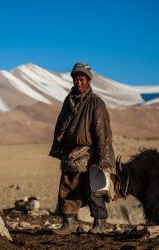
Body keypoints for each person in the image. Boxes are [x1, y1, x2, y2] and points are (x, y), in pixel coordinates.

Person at [49, 62, 116, 234]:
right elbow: (60, 125)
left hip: (90, 154)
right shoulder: (68, 101)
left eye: (82, 79)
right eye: (76, 79)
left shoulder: (96, 103)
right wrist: (59, 147)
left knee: (94, 188)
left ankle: (99, 224)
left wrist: (104, 159)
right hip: (70, 155)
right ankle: (68, 223)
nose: (78, 83)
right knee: (67, 187)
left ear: (88, 81)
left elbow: (103, 133)